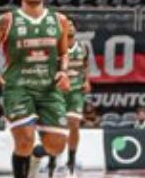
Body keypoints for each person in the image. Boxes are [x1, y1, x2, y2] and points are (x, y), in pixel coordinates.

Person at [0, 0, 72, 178]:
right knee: (24, 140)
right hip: (18, 87)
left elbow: (64, 53)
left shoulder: (60, 20)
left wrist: (63, 72)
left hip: (48, 88)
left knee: (57, 145)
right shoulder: (6, 20)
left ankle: (36, 159)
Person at [52, 19, 88, 177]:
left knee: (74, 124)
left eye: (73, 25)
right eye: (68, 25)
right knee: (56, 127)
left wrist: (87, 80)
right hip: (59, 91)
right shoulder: (56, 47)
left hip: (75, 91)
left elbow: (85, 65)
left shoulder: (83, 47)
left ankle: (71, 159)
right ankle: (52, 159)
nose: (71, 27)